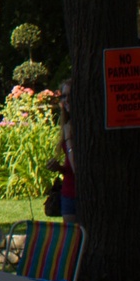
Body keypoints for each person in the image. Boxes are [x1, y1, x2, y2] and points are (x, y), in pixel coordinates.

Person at [49, 81, 79, 221]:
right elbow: (70, 166)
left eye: (71, 95)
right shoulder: (66, 125)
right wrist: (59, 168)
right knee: (70, 241)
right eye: (64, 96)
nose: (66, 100)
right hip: (68, 192)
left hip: (83, 193)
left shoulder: (78, 128)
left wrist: (68, 139)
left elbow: (77, 169)